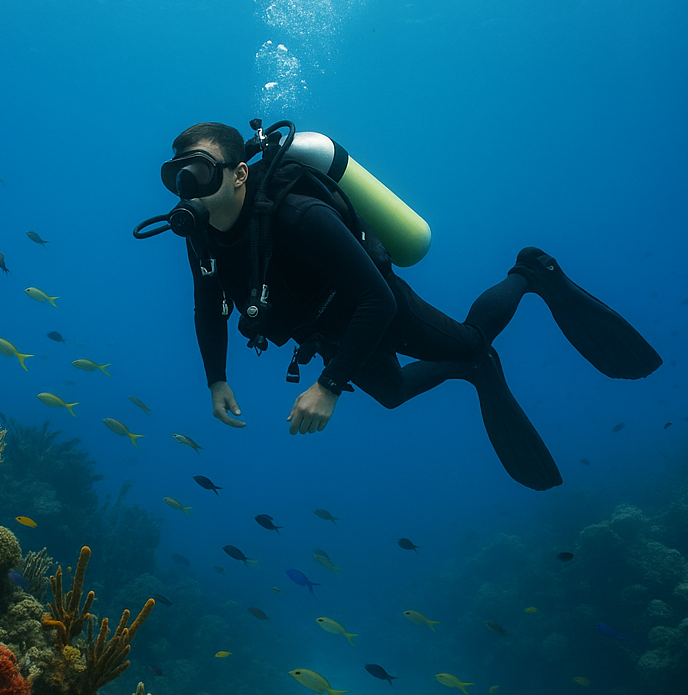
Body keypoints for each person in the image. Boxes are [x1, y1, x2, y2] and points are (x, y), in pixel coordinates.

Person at [163, 121, 662, 490]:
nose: (189, 192)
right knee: (394, 392)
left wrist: (329, 385)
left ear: (240, 173)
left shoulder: (301, 216)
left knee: (471, 340)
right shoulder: (200, 237)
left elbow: (375, 297)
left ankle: (528, 272)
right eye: (177, 177)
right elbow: (207, 304)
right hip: (328, 331)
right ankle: (472, 370)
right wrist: (216, 378)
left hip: (378, 306)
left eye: (201, 174)